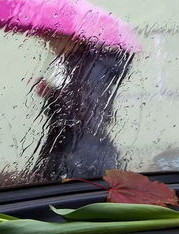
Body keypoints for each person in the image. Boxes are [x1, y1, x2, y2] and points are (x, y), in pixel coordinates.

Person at [32, 34, 134, 181]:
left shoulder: (87, 66)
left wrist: (52, 94)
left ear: (73, 40)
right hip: (77, 146)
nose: (50, 45)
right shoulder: (79, 62)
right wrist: (51, 93)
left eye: (54, 40)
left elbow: (81, 112)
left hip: (81, 153)